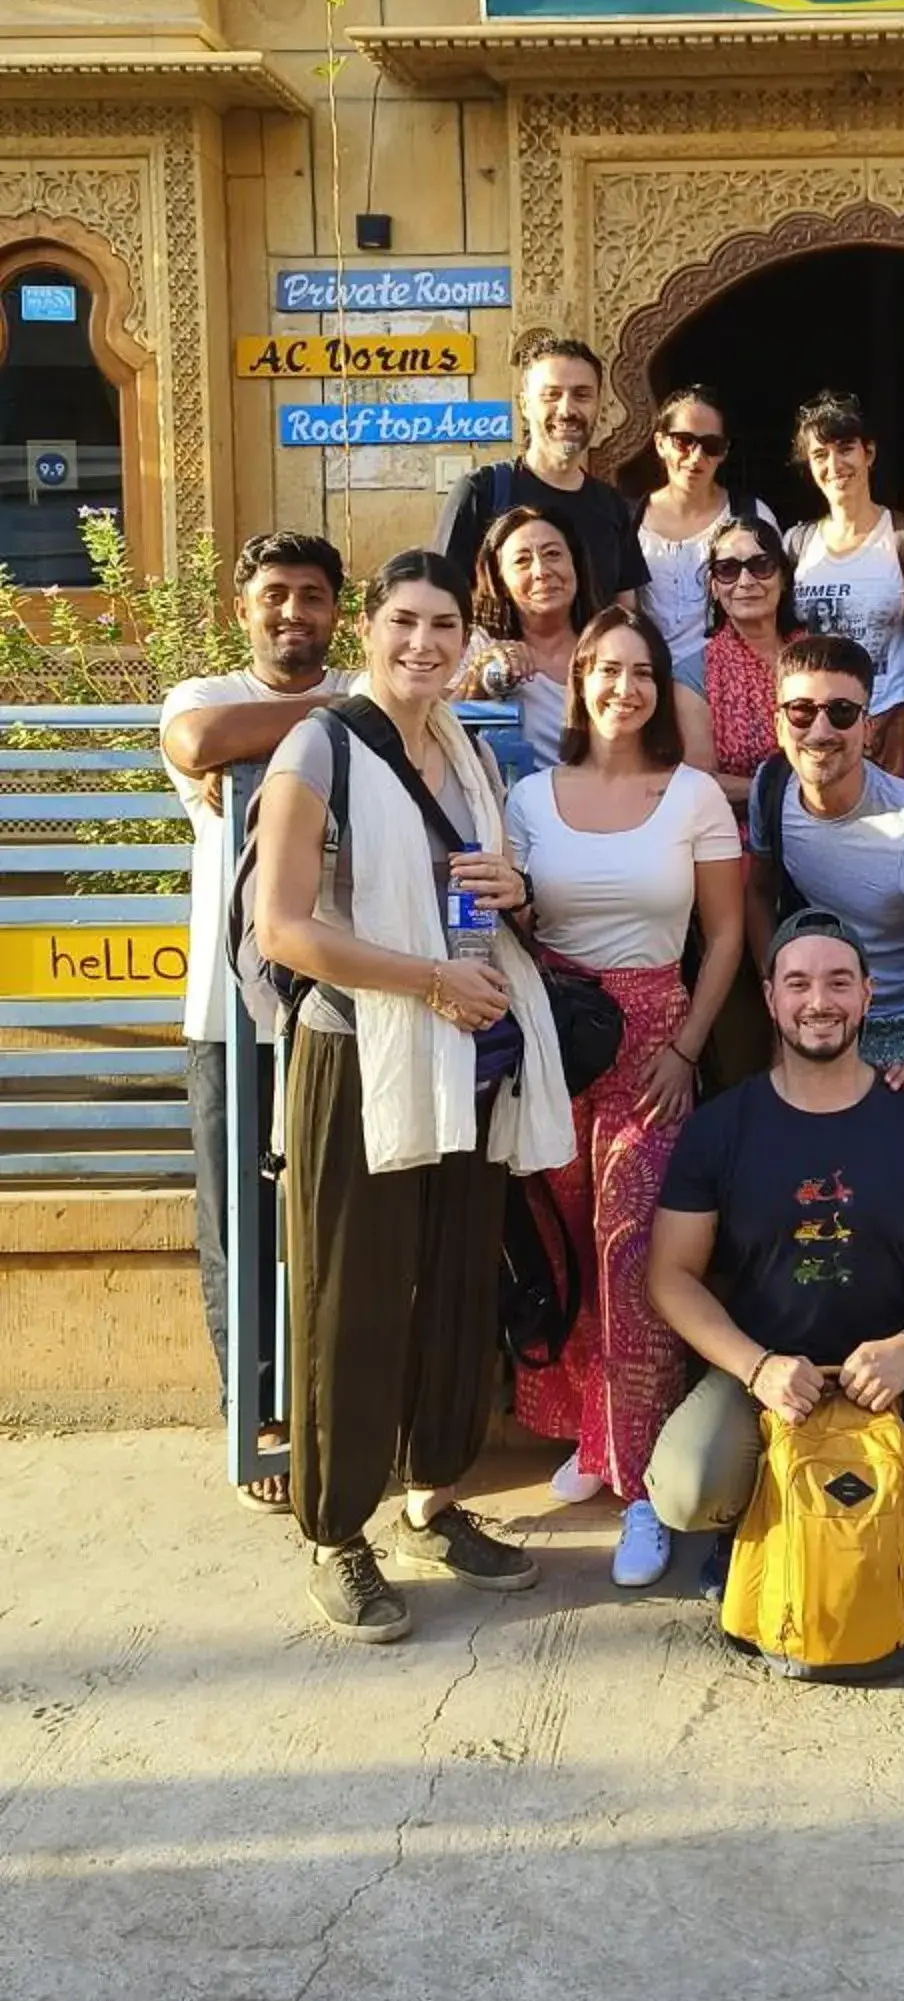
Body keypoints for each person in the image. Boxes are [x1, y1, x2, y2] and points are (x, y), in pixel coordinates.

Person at [253, 550, 573, 1643]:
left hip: (468, 1055)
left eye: (443, 624)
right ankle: (335, 1533)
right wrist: (428, 979)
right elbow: (283, 929)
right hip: (362, 1055)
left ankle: (433, 1498)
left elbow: (480, 899)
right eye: (402, 622)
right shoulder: (320, 746)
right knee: (353, 1293)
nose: (422, 644)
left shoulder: (464, 753)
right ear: (367, 630)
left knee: (452, 1291)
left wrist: (510, 891)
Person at [646, 909, 904, 1614]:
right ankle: (752, 1522)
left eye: (840, 982)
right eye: (799, 983)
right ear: (770, 997)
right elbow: (670, 1274)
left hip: (899, 1360)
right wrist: (755, 1366)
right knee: (689, 1490)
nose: (820, 1002)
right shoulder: (722, 1126)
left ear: (869, 996)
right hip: (766, 1367)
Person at [505, 606, 744, 1588]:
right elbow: (508, 924)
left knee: (635, 1250)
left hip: (654, 1039)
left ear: (659, 688)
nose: (622, 687)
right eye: (604, 670)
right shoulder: (528, 796)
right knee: (562, 1237)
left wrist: (687, 1047)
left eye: (640, 672)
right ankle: (595, 1440)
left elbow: (726, 934)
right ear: (580, 683)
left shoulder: (691, 796)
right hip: (558, 1037)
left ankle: (643, 1483)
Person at [160, 531, 353, 1508]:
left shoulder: (356, 695)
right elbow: (200, 747)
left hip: (332, 1013)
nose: (292, 613)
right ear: (243, 609)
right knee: (237, 1221)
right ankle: (257, 1411)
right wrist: (349, 715)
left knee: (333, 1216)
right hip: (225, 1015)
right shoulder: (199, 697)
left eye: (312, 596)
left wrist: (303, 723)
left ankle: (335, 1405)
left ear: (335, 612)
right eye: (274, 594)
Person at [748, 633, 904, 1094]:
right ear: (778, 725)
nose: (820, 730)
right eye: (800, 711)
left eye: (842, 712)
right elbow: (758, 894)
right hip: (814, 1007)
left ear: (867, 728)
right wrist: (777, 998)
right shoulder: (770, 788)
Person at [676, 511, 803, 1088]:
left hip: (822, 840)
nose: (745, 580)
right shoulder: (692, 672)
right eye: (728, 568)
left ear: (783, 575)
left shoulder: (818, 657)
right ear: (712, 583)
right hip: (735, 851)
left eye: (760, 564)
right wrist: (794, 787)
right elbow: (702, 780)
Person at [436, 330, 644, 611]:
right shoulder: (482, 493)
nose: (567, 409)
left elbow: (624, 608)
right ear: (524, 405)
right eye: (551, 395)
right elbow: (441, 601)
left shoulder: (611, 506)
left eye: (582, 395)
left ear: (600, 406)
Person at [786, 390, 904, 774]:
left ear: (869, 453)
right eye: (819, 455)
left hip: (892, 723)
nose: (834, 464)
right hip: (819, 726)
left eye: (845, 448)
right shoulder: (797, 544)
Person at [635, 383, 775, 666]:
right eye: (684, 441)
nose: (696, 456)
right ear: (660, 443)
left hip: (731, 679)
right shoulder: (630, 521)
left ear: (724, 453)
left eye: (711, 446)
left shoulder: (751, 514)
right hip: (650, 681)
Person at [462, 503, 592, 767]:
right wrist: (480, 679)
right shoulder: (479, 646)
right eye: (522, 561)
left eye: (553, 554)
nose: (541, 571)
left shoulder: (609, 643)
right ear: (500, 581)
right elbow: (437, 721)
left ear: (575, 564)